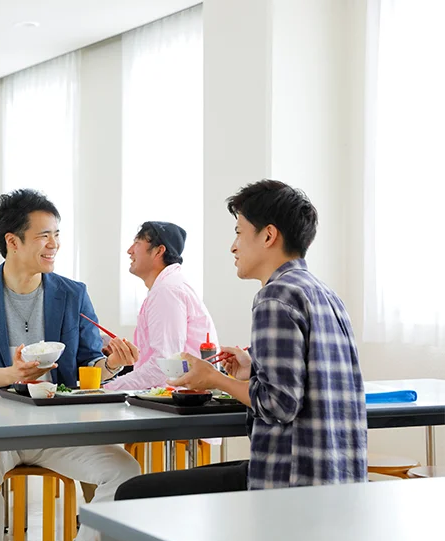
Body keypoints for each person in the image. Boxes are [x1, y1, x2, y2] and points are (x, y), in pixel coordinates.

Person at [116, 179, 367, 500]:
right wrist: (252, 369)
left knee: (133, 493)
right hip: (337, 478)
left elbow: (278, 404)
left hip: (290, 482)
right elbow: (306, 386)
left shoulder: (274, 297)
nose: (233, 246)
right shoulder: (323, 293)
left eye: (238, 232)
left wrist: (214, 378)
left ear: (268, 235)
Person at [0, 189, 142, 541]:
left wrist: (112, 364)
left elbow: (89, 365)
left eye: (57, 235)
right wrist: (12, 374)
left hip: (58, 428)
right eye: (44, 236)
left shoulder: (72, 293)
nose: (54, 244)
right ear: (13, 241)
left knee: (125, 473)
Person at [105, 221, 218, 391]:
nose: (129, 250)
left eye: (137, 243)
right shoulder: (169, 286)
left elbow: (164, 367)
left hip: (180, 401)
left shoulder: (167, 290)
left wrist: (107, 389)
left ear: (159, 250)